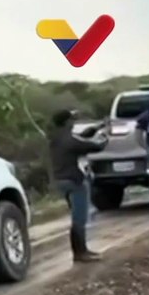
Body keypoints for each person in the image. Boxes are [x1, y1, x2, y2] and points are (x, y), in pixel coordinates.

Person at [48, 109, 108, 262]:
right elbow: (96, 146)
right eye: (72, 120)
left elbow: (81, 138)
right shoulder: (70, 140)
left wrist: (96, 128)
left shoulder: (56, 138)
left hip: (61, 180)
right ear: (67, 122)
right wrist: (105, 136)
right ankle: (80, 252)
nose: (74, 122)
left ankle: (81, 252)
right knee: (79, 218)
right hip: (75, 181)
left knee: (77, 216)